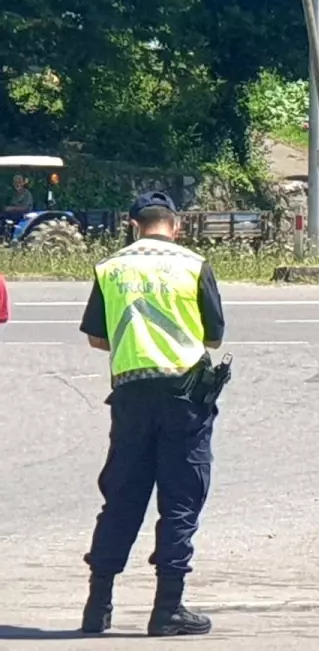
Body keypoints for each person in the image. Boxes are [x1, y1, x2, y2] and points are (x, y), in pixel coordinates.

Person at [77, 191, 226, 637]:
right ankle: (168, 609)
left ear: (132, 224)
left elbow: (97, 339)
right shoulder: (193, 265)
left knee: (121, 499)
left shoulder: (111, 268)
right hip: (185, 399)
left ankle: (97, 607)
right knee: (180, 501)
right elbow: (214, 337)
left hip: (131, 397)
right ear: (175, 226)